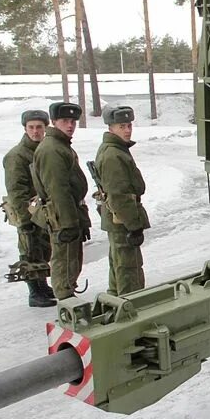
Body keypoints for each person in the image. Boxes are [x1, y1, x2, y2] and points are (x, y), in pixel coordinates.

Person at [33, 102, 91, 302]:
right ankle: (67, 307)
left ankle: (68, 299)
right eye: (65, 121)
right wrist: (68, 224)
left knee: (70, 262)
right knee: (64, 264)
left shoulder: (60, 145)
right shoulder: (52, 149)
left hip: (69, 211)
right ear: (54, 122)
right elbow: (58, 190)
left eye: (73, 121)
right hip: (62, 215)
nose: (70, 125)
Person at [94, 105, 150, 296]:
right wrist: (134, 225)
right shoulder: (113, 154)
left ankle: (116, 300)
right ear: (110, 128)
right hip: (122, 221)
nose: (127, 130)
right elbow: (119, 197)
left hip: (119, 220)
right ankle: (129, 308)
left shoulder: (115, 149)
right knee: (128, 270)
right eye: (121, 126)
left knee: (119, 264)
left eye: (129, 125)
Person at [2, 109, 55, 307]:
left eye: (39, 127)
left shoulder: (43, 150)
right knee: (30, 250)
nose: (35, 131)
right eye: (31, 127)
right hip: (28, 211)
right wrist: (25, 220)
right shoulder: (17, 156)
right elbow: (16, 191)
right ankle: (34, 292)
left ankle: (42, 285)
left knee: (43, 249)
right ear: (25, 129)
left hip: (42, 210)